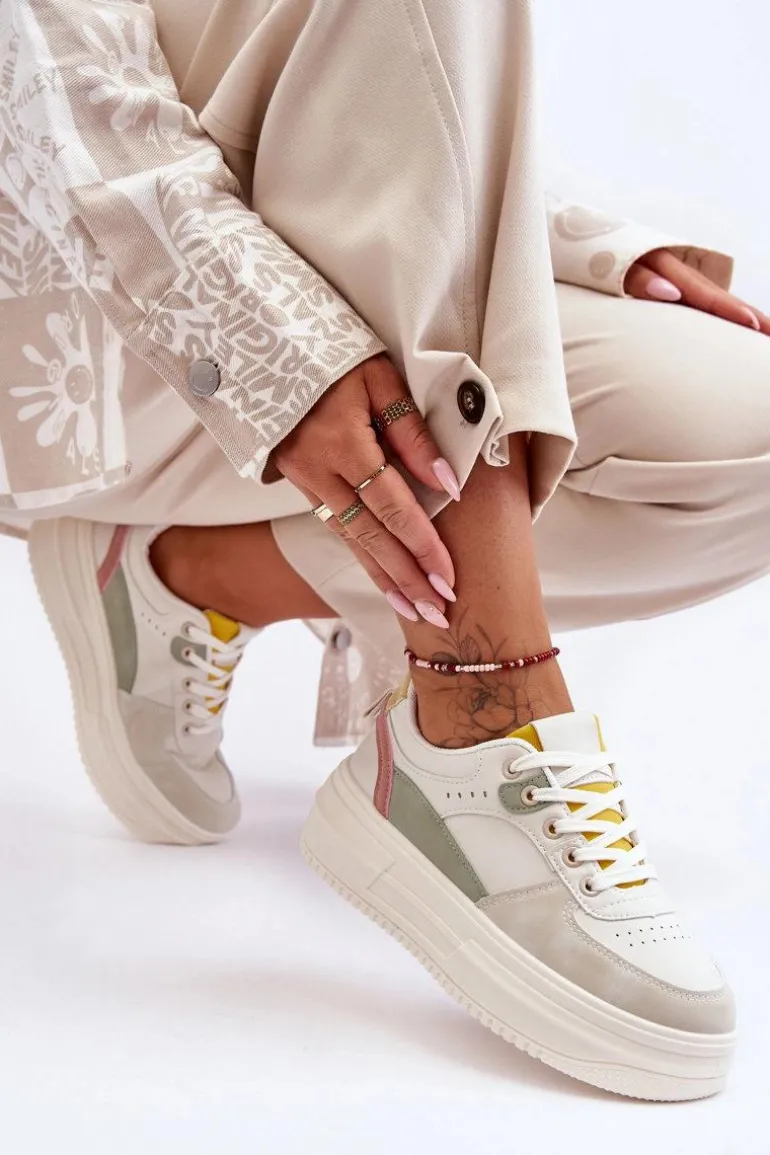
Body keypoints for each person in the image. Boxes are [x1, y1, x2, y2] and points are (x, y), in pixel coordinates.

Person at [2, 0, 767, 1101]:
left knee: (740, 431)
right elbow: (50, 81)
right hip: (78, 308)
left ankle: (184, 575)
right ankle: (479, 710)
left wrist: (567, 245)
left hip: (286, 264)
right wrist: (277, 351)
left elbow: (409, 88)